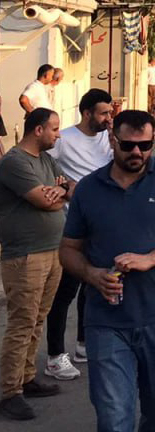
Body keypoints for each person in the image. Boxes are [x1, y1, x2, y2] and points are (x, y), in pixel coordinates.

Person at [59, 109, 155, 431]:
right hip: (106, 323)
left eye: (144, 145)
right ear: (113, 141)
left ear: (154, 138)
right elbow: (68, 250)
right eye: (128, 146)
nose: (137, 153)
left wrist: (152, 258)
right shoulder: (88, 188)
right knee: (114, 417)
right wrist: (92, 275)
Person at [0, 109, 67, 420]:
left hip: (52, 251)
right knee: (22, 323)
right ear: (38, 129)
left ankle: (26, 378)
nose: (58, 134)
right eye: (54, 129)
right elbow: (43, 200)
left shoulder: (45, 159)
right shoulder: (15, 162)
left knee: (38, 318)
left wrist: (61, 190)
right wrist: (58, 193)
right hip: (25, 256)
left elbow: (70, 187)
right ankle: (8, 391)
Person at [44, 89, 115, 381]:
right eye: (104, 113)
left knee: (93, 287)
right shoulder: (67, 139)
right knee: (65, 293)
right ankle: (54, 356)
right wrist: (64, 185)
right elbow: (42, 166)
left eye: (111, 113)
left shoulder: (108, 137)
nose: (109, 118)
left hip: (104, 226)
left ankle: (83, 345)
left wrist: (114, 137)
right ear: (87, 113)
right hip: (73, 229)